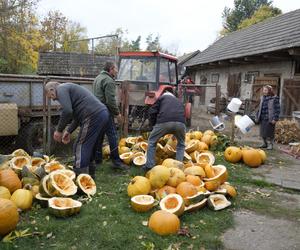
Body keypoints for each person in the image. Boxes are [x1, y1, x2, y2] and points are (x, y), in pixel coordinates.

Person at [45, 81, 109, 179]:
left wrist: (59, 130)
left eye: (50, 96)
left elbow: (67, 111)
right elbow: (76, 117)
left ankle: (80, 177)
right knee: (89, 145)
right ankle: (90, 175)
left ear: (52, 89)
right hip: (102, 113)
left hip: (92, 115)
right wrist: (68, 131)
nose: (53, 99)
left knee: (80, 145)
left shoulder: (61, 88)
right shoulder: (70, 90)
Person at [93, 62, 129, 170]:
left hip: (96, 110)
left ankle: (98, 159)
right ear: (111, 69)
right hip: (105, 111)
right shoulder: (109, 81)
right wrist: (117, 113)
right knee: (113, 135)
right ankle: (116, 162)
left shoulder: (98, 78)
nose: (117, 71)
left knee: (99, 135)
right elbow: (110, 100)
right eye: (116, 69)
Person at [143, 88, 186, 171]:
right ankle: (178, 169)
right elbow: (183, 113)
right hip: (180, 123)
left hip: (164, 121)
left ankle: (149, 166)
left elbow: (152, 111)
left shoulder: (161, 98)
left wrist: (153, 125)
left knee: (152, 141)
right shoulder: (178, 100)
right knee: (181, 144)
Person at [256, 85, 280, 150]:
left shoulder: (274, 98)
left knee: (270, 132)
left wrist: (275, 118)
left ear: (269, 91)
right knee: (263, 132)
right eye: (263, 90)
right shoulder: (262, 98)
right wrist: (257, 115)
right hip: (262, 117)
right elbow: (259, 108)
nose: (264, 91)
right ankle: (264, 143)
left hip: (270, 118)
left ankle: (270, 144)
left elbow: (277, 109)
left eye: (265, 90)